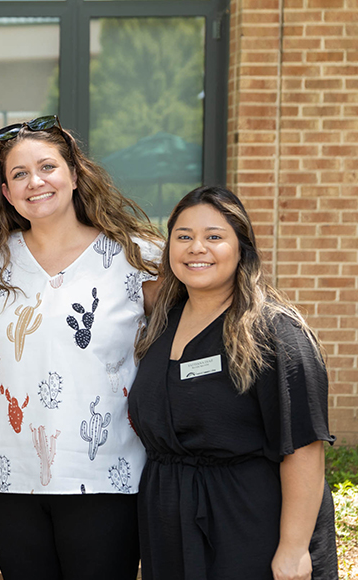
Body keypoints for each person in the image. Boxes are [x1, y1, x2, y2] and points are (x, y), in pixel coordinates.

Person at [0, 115, 163, 580]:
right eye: (19, 174)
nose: (36, 182)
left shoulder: (135, 256)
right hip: (11, 476)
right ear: (7, 193)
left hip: (108, 476)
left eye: (47, 167)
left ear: (73, 173)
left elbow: (184, 333)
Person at [128, 185, 337, 580]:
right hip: (171, 524)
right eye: (184, 236)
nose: (196, 248)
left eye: (214, 237)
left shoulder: (274, 332)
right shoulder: (161, 324)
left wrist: (293, 550)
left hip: (248, 523)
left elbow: (305, 447)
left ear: (242, 247)